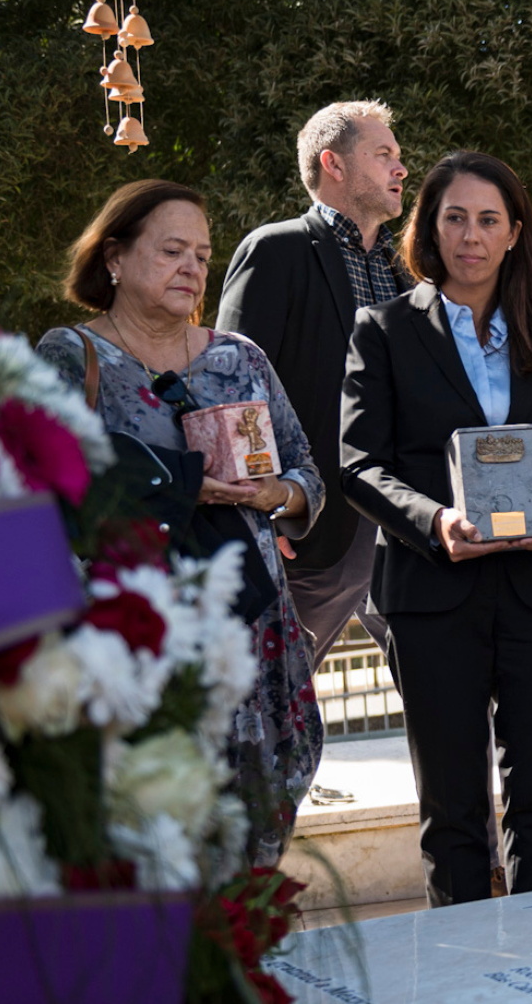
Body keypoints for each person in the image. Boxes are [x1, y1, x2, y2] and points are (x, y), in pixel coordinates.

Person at [38, 179, 325, 867]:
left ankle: (242, 959)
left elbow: (308, 477)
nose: (192, 267)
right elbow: (43, 498)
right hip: (140, 637)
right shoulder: (70, 359)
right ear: (113, 257)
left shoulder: (240, 357)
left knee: (259, 823)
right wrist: (175, 491)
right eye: (171, 250)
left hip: (255, 631)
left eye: (201, 253)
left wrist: (271, 496)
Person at [338, 151, 532, 905]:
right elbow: (359, 464)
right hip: (431, 591)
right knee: (451, 811)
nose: (471, 236)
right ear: (430, 227)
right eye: (455, 218)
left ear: (515, 233)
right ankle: (464, 967)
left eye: (488, 220)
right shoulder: (381, 331)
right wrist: (433, 521)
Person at [218, 100, 409, 669]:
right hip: (310, 531)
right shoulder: (275, 251)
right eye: (384, 155)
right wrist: (259, 510)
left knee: (441, 686)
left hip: (404, 523)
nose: (401, 169)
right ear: (335, 164)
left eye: (400, 157)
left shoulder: (406, 272)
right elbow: (232, 389)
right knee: (271, 699)